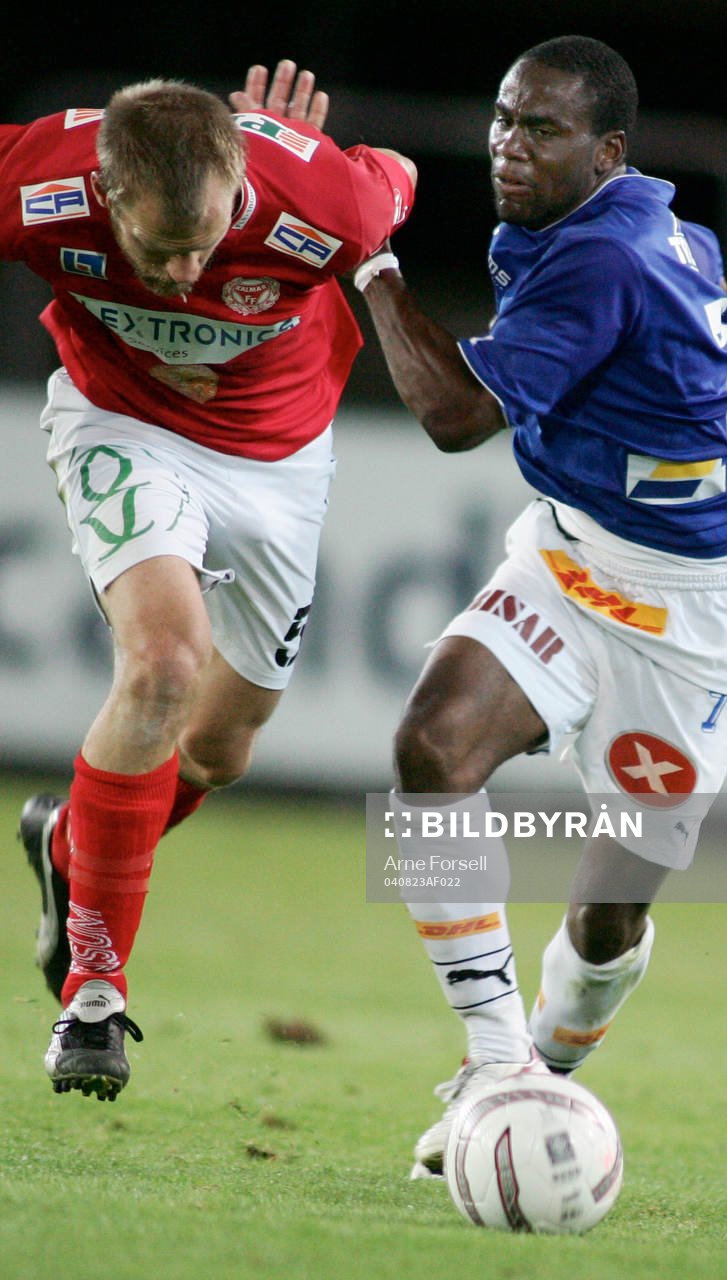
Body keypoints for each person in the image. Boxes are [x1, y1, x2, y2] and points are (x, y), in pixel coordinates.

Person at [242, 33, 727, 1179]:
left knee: (603, 921)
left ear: (607, 151)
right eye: (502, 118)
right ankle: (495, 1065)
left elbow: (450, 415)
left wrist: (370, 260)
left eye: (540, 130)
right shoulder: (612, 222)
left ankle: (544, 1059)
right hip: (573, 554)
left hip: (691, 620)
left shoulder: (610, 257)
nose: (507, 146)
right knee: (431, 748)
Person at [3, 61, 416, 1100]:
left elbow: (397, 176)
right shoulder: (35, 183)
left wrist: (297, 161)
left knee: (223, 744)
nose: (181, 274)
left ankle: (74, 839)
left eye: (200, 246)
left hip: (280, 459)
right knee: (162, 666)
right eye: (152, 248)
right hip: (125, 424)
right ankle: (92, 994)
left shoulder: (325, 201)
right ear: (103, 191)